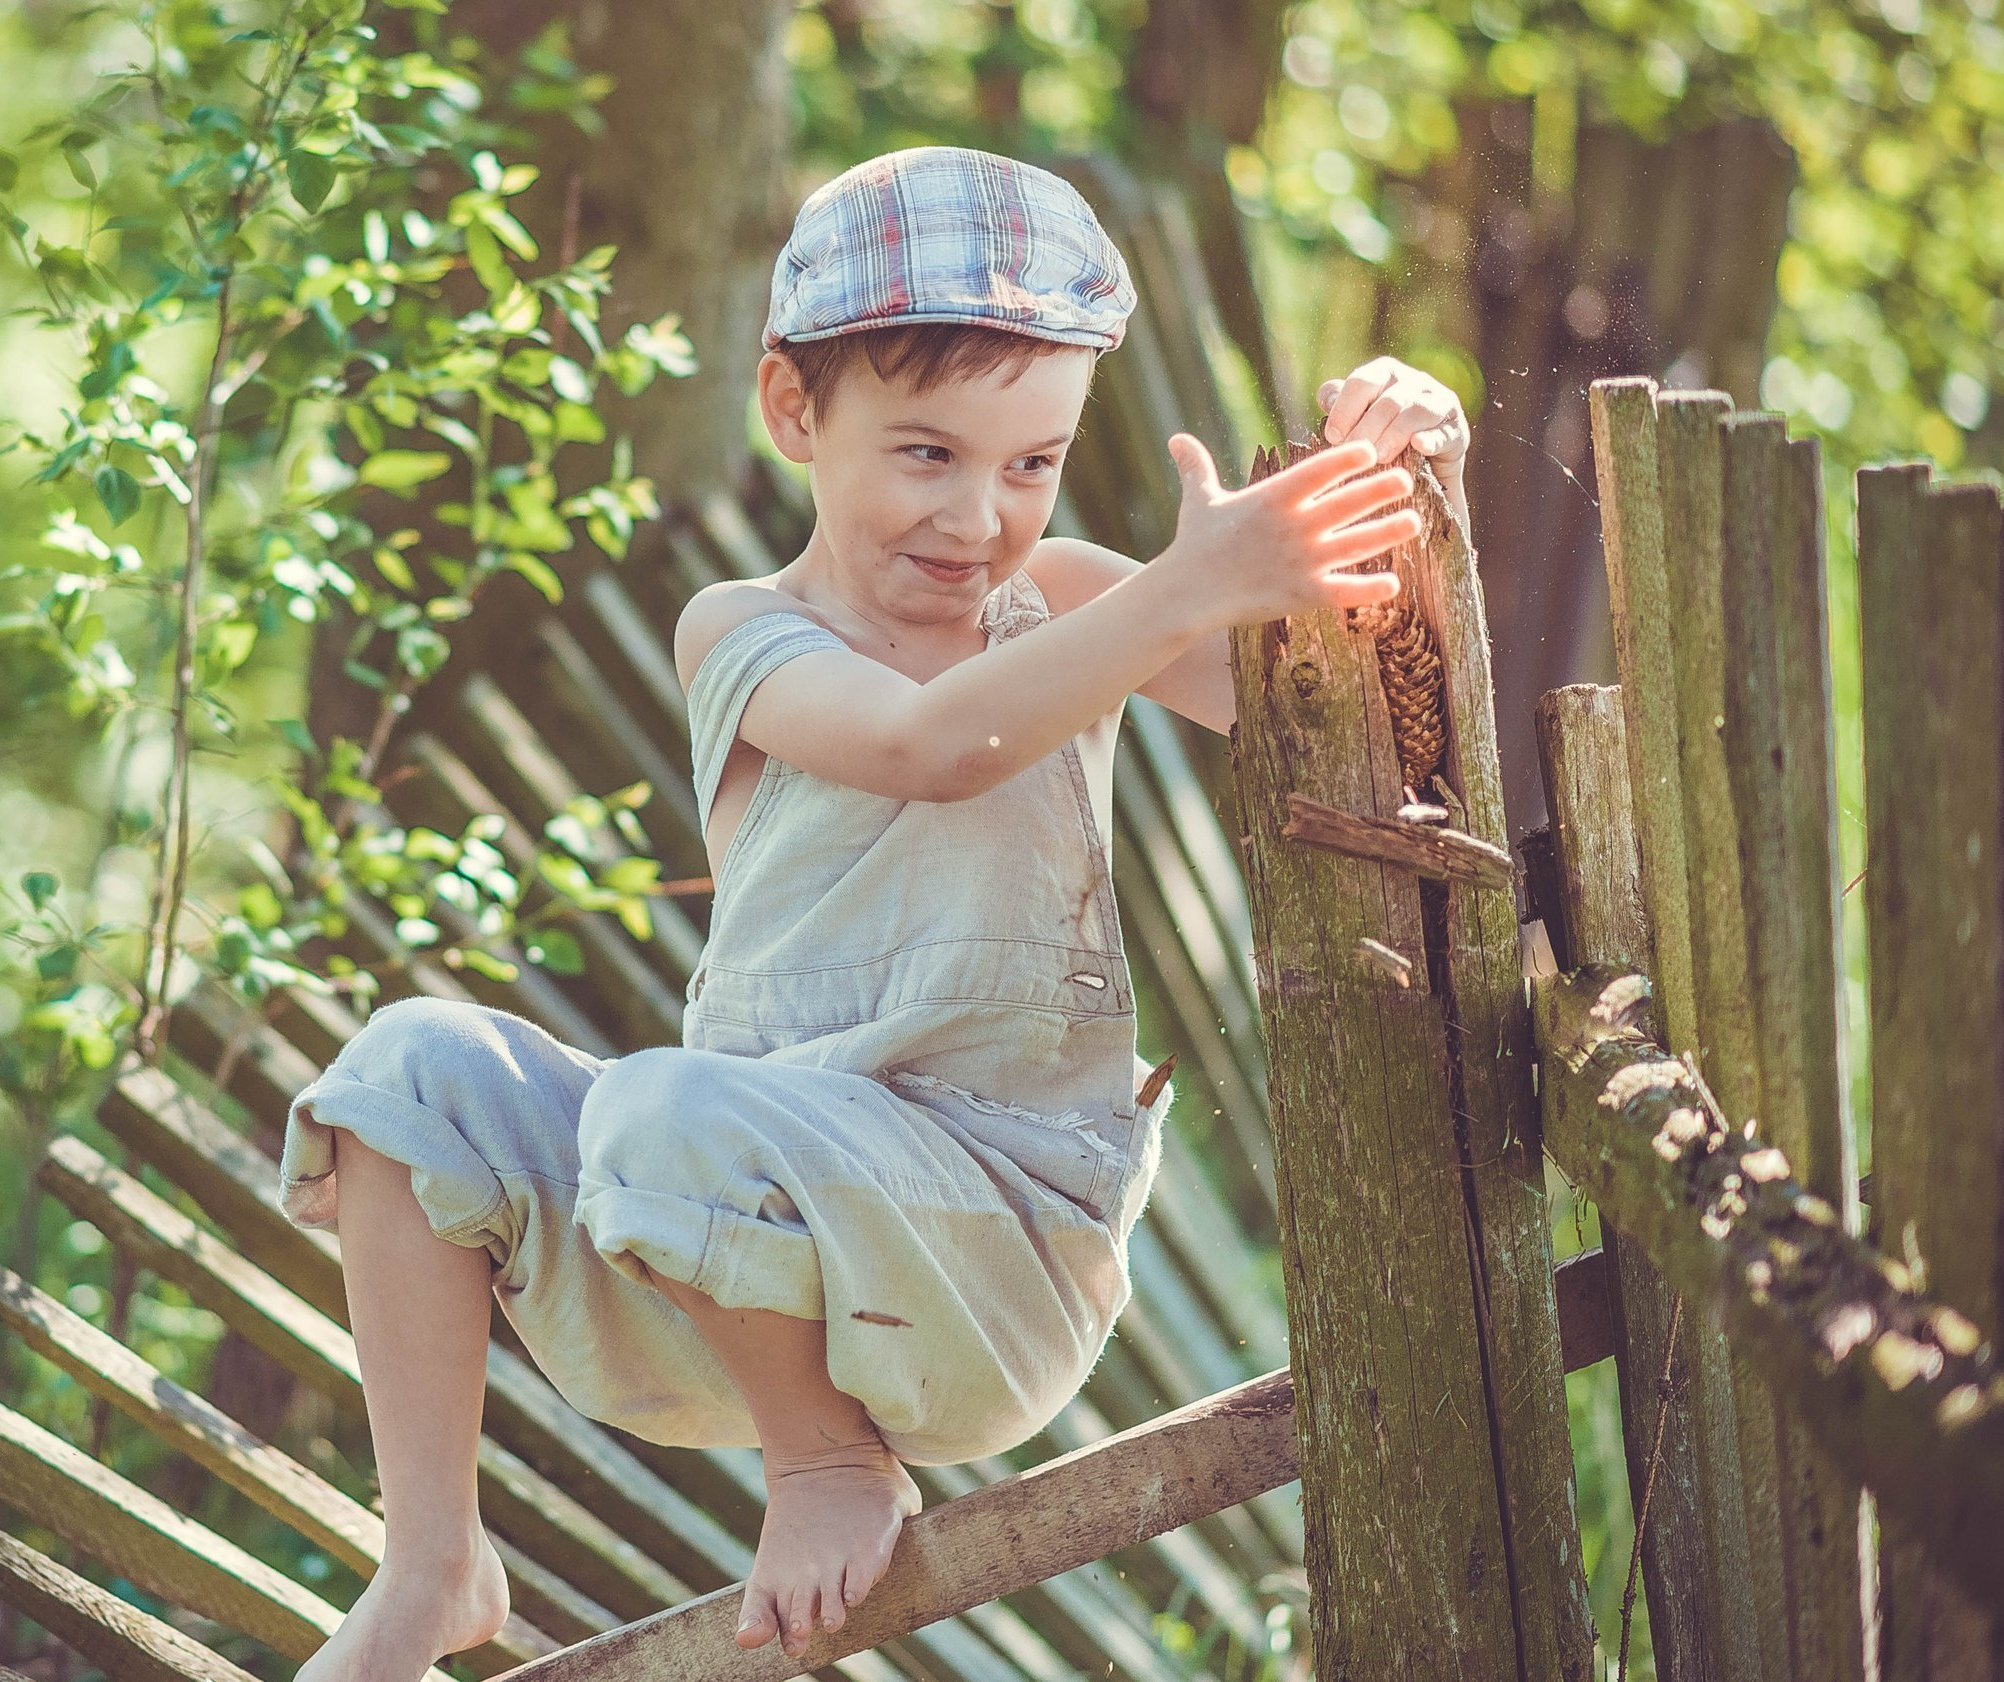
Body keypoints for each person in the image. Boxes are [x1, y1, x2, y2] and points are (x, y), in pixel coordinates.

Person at [277, 145, 1474, 1681]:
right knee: (407, 1068)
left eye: (1032, 465)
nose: (980, 516)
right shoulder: (742, 634)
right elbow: (931, 745)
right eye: (927, 453)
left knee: (663, 1112)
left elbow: (1358, 707)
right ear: (794, 410)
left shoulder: (1075, 600)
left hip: (992, 1253)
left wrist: (1406, 462)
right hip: (713, 1260)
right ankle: (435, 1560)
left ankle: (836, 1460)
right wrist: (1178, 590)